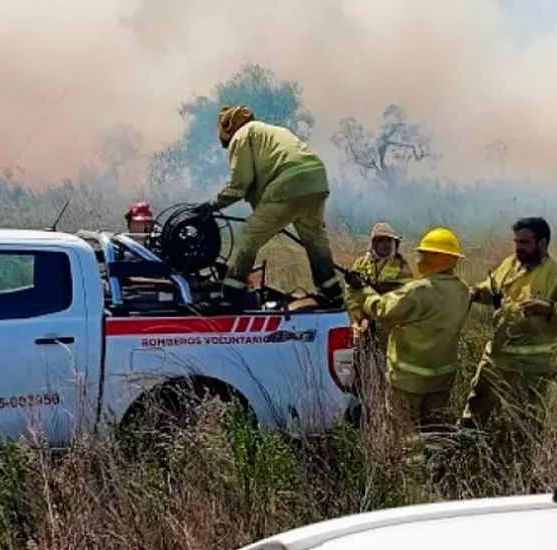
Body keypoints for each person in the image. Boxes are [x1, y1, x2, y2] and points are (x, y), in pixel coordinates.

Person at [196, 106, 341, 307]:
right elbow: (262, 186)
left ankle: (230, 296)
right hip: (316, 179)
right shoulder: (272, 131)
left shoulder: (241, 136)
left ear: (228, 128)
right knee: (315, 240)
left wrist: (212, 205)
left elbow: (241, 184)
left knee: (249, 237)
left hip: (289, 181)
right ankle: (333, 294)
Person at [345, 227, 471, 431]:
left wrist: (364, 290)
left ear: (432, 259)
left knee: (403, 431)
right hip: (442, 378)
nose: (418, 259)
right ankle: (435, 460)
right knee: (434, 428)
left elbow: (382, 310)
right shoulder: (463, 290)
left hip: (409, 379)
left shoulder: (419, 290)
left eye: (422, 255)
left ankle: (411, 463)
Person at [461, 217, 557, 431]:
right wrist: (476, 293)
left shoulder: (553, 275)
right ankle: (467, 443)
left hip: (529, 366)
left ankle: (519, 458)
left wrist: (550, 309)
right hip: (496, 357)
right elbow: (492, 289)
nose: (518, 248)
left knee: (524, 421)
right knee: (476, 408)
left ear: (542, 243)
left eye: (524, 243)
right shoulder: (510, 264)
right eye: (516, 242)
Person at [344, 222, 414, 395]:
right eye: (380, 241)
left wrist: (381, 291)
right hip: (363, 328)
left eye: (388, 241)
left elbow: (406, 295)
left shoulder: (401, 266)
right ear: (373, 243)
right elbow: (350, 294)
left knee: (387, 371)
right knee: (359, 366)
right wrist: (360, 318)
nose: (384, 245)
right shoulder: (360, 264)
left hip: (389, 329)